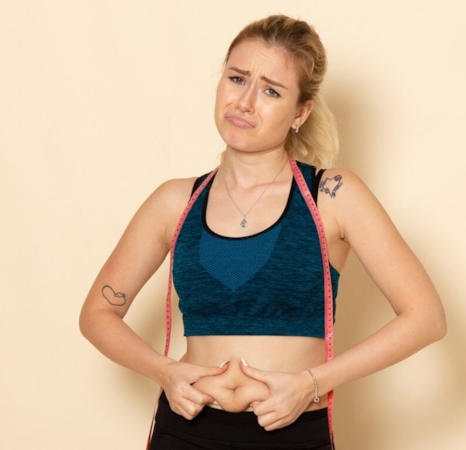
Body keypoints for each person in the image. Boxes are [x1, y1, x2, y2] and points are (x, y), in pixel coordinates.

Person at [79, 14, 446, 450]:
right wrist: (165, 371)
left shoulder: (332, 195)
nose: (245, 102)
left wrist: (313, 382)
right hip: (185, 431)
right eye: (237, 79)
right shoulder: (175, 202)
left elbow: (426, 317)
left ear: (300, 112)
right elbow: (97, 314)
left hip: (291, 433)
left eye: (271, 90)